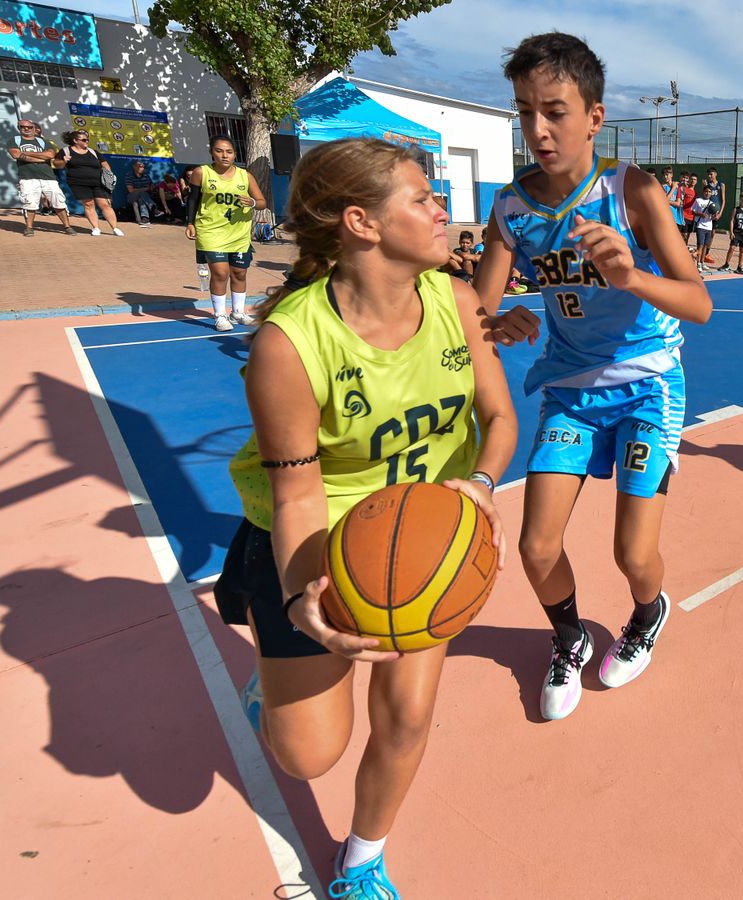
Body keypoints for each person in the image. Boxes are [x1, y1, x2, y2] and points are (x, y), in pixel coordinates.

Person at [216, 136, 517, 899]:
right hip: (320, 541)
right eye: (422, 197)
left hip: (422, 539)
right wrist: (296, 602)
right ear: (363, 222)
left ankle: (362, 860)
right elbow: (297, 496)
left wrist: (479, 486)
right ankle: (264, 630)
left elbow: (500, 418)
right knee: (308, 755)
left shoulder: (457, 300)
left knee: (408, 717)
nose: (443, 209)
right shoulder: (290, 342)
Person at [474, 32, 713, 722]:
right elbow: (477, 316)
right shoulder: (511, 208)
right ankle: (569, 637)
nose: (538, 130)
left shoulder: (630, 191)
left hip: (647, 383)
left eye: (554, 110)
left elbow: (698, 302)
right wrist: (501, 325)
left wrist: (631, 274)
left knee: (633, 554)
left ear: (594, 117)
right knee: (535, 544)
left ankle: (647, 612)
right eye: (525, 112)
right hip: (573, 389)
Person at [187, 135, 267, 332]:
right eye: (219, 151)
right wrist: (189, 223)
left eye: (229, 152)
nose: (224, 155)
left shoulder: (245, 176)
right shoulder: (201, 173)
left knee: (239, 272)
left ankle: (238, 312)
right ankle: (220, 315)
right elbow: (192, 200)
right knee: (221, 273)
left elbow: (262, 202)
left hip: (238, 233)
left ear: (235, 154)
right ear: (212, 152)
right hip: (211, 230)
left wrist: (253, 203)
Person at [9, 119, 73, 236]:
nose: (26, 129)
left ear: (34, 128)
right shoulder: (15, 140)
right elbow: (16, 154)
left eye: (29, 127)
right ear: (19, 128)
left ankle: (67, 226)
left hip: (48, 177)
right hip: (27, 177)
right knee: (30, 203)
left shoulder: (44, 142)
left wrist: (26, 153)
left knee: (59, 201)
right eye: (23, 127)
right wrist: (41, 158)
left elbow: (50, 155)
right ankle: (29, 228)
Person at [57, 129, 123, 236]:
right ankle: (96, 228)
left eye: (87, 139)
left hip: (98, 182)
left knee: (105, 204)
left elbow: (105, 164)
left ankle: (115, 228)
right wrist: (63, 161)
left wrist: (109, 176)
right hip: (78, 183)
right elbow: (57, 164)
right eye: (84, 140)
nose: (86, 141)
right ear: (75, 140)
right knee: (88, 204)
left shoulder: (93, 152)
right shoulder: (65, 151)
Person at [718, 192, 743, 273]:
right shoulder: (736, 209)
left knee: (742, 250)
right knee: (732, 248)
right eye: (741, 200)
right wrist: (731, 232)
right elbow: (732, 221)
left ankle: (739, 267)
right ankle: (726, 264)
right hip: (736, 232)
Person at [699, 167, 725, 264]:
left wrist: (720, 213)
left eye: (711, 174)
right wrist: (703, 186)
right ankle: (703, 254)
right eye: (708, 174)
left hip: (716, 214)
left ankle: (706, 253)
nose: (709, 176)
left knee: (712, 234)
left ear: (716, 174)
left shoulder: (721, 185)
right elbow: (704, 197)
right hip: (708, 213)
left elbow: (723, 200)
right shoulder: (707, 185)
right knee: (707, 233)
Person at [126, 161, 156, 228]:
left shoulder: (146, 176)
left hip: (145, 196)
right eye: (140, 166)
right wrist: (146, 188)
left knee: (141, 197)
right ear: (134, 167)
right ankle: (153, 208)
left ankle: (145, 218)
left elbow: (151, 186)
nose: (142, 168)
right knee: (141, 193)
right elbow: (131, 190)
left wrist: (151, 187)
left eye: (143, 167)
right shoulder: (129, 175)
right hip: (132, 196)